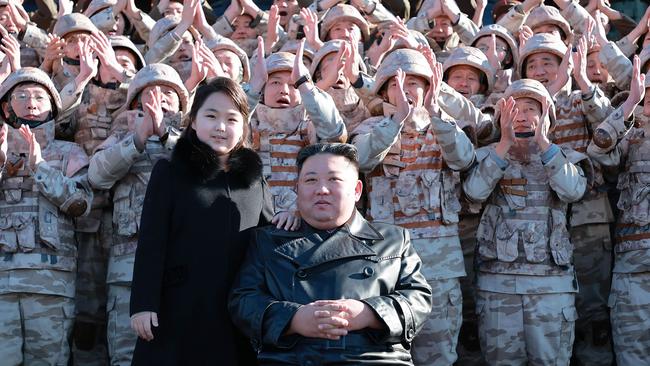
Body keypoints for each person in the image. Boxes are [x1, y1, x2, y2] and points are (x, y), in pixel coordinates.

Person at [229, 142, 432, 365]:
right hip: (292, 359)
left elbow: (419, 299)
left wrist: (369, 313)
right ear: (297, 188)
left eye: (334, 179)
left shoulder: (393, 240)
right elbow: (243, 301)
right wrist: (294, 319)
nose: (321, 189)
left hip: (375, 358)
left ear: (356, 190)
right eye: (310, 180)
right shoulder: (268, 241)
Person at [128, 77, 273, 365]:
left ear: (244, 127)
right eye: (211, 116)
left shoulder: (254, 182)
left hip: (235, 314)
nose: (221, 127)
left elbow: (266, 241)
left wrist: (287, 223)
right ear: (193, 121)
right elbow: (152, 242)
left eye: (232, 119)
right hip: (178, 310)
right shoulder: (169, 172)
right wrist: (143, 304)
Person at [463, 79, 588, 365]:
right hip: (498, 284)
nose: (522, 115)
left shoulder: (564, 157)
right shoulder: (487, 156)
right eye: (514, 109)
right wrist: (504, 144)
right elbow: (474, 192)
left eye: (532, 109)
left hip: (551, 287)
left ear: (547, 116)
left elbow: (573, 191)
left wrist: (544, 143)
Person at [0, 67, 93, 365]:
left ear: (52, 107)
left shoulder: (70, 153)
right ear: (6, 106)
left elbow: (81, 204)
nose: (31, 102)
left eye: (40, 96)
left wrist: (40, 167)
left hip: (51, 287)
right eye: (22, 95)